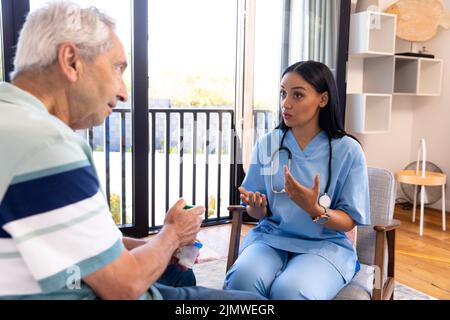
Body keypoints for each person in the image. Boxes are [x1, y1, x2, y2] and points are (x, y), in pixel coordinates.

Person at [0, 1, 263, 300]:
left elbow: (79, 241)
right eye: (117, 68)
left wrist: (163, 246)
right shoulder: (48, 145)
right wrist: (173, 233)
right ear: (71, 60)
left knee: (179, 270)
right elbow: (123, 286)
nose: (124, 91)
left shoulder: (12, 120)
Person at [224, 61, 370, 300]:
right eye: (283, 93)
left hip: (324, 246)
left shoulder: (348, 150)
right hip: (271, 238)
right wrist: (257, 207)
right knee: (242, 279)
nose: (286, 103)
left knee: (290, 290)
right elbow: (257, 211)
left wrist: (315, 209)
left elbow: (349, 222)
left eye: (297, 95)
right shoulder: (269, 144)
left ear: (322, 99)